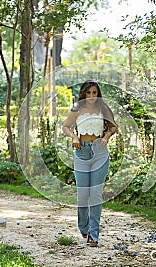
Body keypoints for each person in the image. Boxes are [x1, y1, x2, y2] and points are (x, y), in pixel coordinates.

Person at [62, 80, 117, 247]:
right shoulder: (77, 108)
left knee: (96, 195)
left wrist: (106, 136)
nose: (92, 96)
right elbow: (65, 126)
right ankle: (83, 227)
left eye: (94, 93)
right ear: (83, 94)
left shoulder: (103, 108)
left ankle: (94, 234)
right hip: (82, 153)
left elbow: (113, 127)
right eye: (88, 93)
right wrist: (74, 137)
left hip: (99, 152)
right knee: (83, 196)